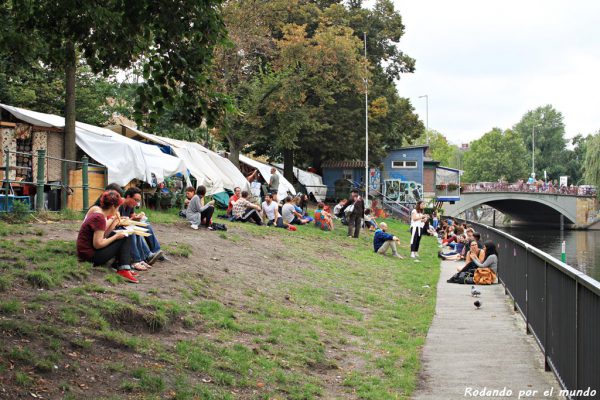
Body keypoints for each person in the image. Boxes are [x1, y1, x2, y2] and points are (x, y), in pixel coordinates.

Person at [76, 190, 138, 283]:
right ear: (113, 206)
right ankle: (123, 269)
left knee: (124, 233)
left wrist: (115, 222)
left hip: (87, 251)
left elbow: (104, 234)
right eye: (118, 207)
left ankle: (121, 266)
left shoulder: (99, 214)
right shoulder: (99, 218)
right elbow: (98, 244)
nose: (118, 210)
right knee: (125, 236)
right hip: (90, 256)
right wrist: (116, 236)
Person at [119, 187, 164, 264]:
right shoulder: (119, 204)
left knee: (147, 225)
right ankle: (146, 256)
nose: (136, 203)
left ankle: (156, 251)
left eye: (138, 201)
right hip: (120, 227)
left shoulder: (130, 205)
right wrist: (130, 219)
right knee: (136, 231)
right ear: (128, 197)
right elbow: (116, 219)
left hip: (128, 224)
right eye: (135, 200)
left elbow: (132, 216)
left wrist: (137, 217)